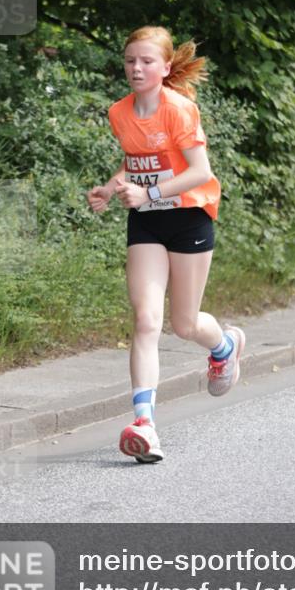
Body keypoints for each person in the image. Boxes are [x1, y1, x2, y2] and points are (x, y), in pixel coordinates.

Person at [86, 26, 246, 464]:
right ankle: (144, 424)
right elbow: (136, 162)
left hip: (189, 216)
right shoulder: (120, 112)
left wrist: (150, 193)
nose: (136, 69)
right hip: (147, 224)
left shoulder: (179, 109)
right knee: (145, 320)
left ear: (165, 67)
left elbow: (200, 171)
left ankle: (225, 347)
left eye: (146, 61)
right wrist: (111, 186)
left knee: (185, 324)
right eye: (130, 61)